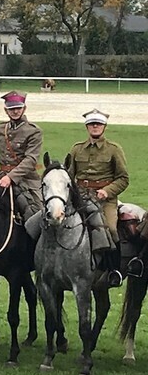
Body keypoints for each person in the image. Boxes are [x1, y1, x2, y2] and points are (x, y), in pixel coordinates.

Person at [67, 109, 129, 287]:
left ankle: (114, 269)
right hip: (80, 197)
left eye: (98, 124)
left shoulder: (114, 150)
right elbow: (70, 175)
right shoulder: (77, 148)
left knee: (110, 228)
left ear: (104, 127)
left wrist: (107, 191)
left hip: (104, 200)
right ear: (87, 127)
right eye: (92, 124)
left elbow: (123, 178)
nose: (95, 127)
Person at [0, 91, 42, 221]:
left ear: (24, 108)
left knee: (35, 213)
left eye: (18, 108)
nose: (15, 112)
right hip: (0, 178)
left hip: (26, 181)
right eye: (11, 109)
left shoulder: (33, 131)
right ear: (6, 110)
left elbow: (30, 160)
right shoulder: (1, 129)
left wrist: (10, 177)